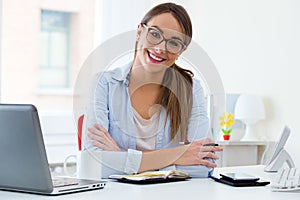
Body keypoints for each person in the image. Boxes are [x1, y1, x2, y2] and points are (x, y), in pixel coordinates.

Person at [84, 2, 223, 178]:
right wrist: (178, 155)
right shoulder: (103, 83)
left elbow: (202, 167)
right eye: (155, 34)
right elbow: (93, 164)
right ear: (139, 31)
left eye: (174, 43)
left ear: (182, 50)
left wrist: (120, 156)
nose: (161, 48)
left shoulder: (191, 89)